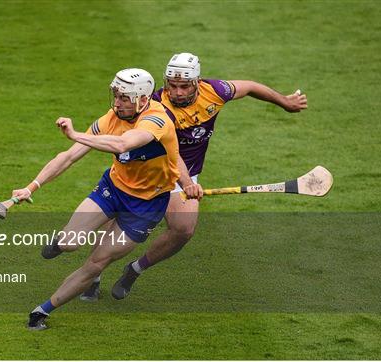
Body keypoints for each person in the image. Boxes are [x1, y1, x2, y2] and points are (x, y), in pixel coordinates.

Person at [81, 53, 308, 301]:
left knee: (183, 230)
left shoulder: (216, 91)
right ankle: (93, 275)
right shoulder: (155, 106)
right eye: (172, 85)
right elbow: (171, 153)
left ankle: (135, 269)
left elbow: (251, 87)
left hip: (186, 175)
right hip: (148, 170)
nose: (177, 92)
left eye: (184, 86)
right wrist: (187, 183)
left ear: (197, 83)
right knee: (114, 218)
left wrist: (284, 102)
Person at [11, 68, 199, 330]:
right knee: (70, 243)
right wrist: (32, 186)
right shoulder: (111, 118)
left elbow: (123, 145)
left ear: (143, 100)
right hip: (113, 189)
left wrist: (187, 184)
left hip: (144, 208)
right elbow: (69, 156)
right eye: (116, 96)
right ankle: (61, 243)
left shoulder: (156, 120)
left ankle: (42, 311)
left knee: (97, 262)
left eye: (125, 98)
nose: (118, 103)